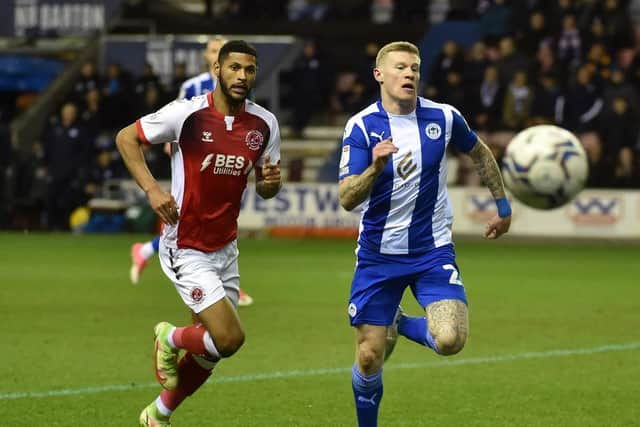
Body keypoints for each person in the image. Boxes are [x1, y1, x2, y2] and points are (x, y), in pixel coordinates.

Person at [338, 41, 511, 426]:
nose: (409, 74)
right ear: (379, 75)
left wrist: (503, 208)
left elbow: (480, 153)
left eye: (414, 68)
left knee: (450, 340)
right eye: (400, 67)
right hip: (378, 256)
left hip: (432, 252)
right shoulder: (362, 126)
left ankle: (396, 322)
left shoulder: (444, 117)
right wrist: (375, 168)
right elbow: (347, 198)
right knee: (369, 356)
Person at [115, 40, 281, 427]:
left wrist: (271, 182)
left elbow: (266, 187)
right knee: (229, 339)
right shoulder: (187, 114)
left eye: (249, 70)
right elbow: (127, 138)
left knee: (210, 350)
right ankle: (169, 337)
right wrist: (153, 190)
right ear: (218, 71)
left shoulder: (264, 124)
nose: (242, 76)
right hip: (185, 243)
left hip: (226, 246)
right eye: (235, 68)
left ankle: (159, 414)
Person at [129, 36, 255, 306]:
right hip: (195, 156)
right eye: (212, 50)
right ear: (212, 60)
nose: (216, 53)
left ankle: (151, 253)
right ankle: (203, 280)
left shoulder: (241, 85)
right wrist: (169, 143)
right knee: (189, 207)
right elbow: (176, 120)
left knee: (220, 211)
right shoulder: (192, 87)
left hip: (227, 161)